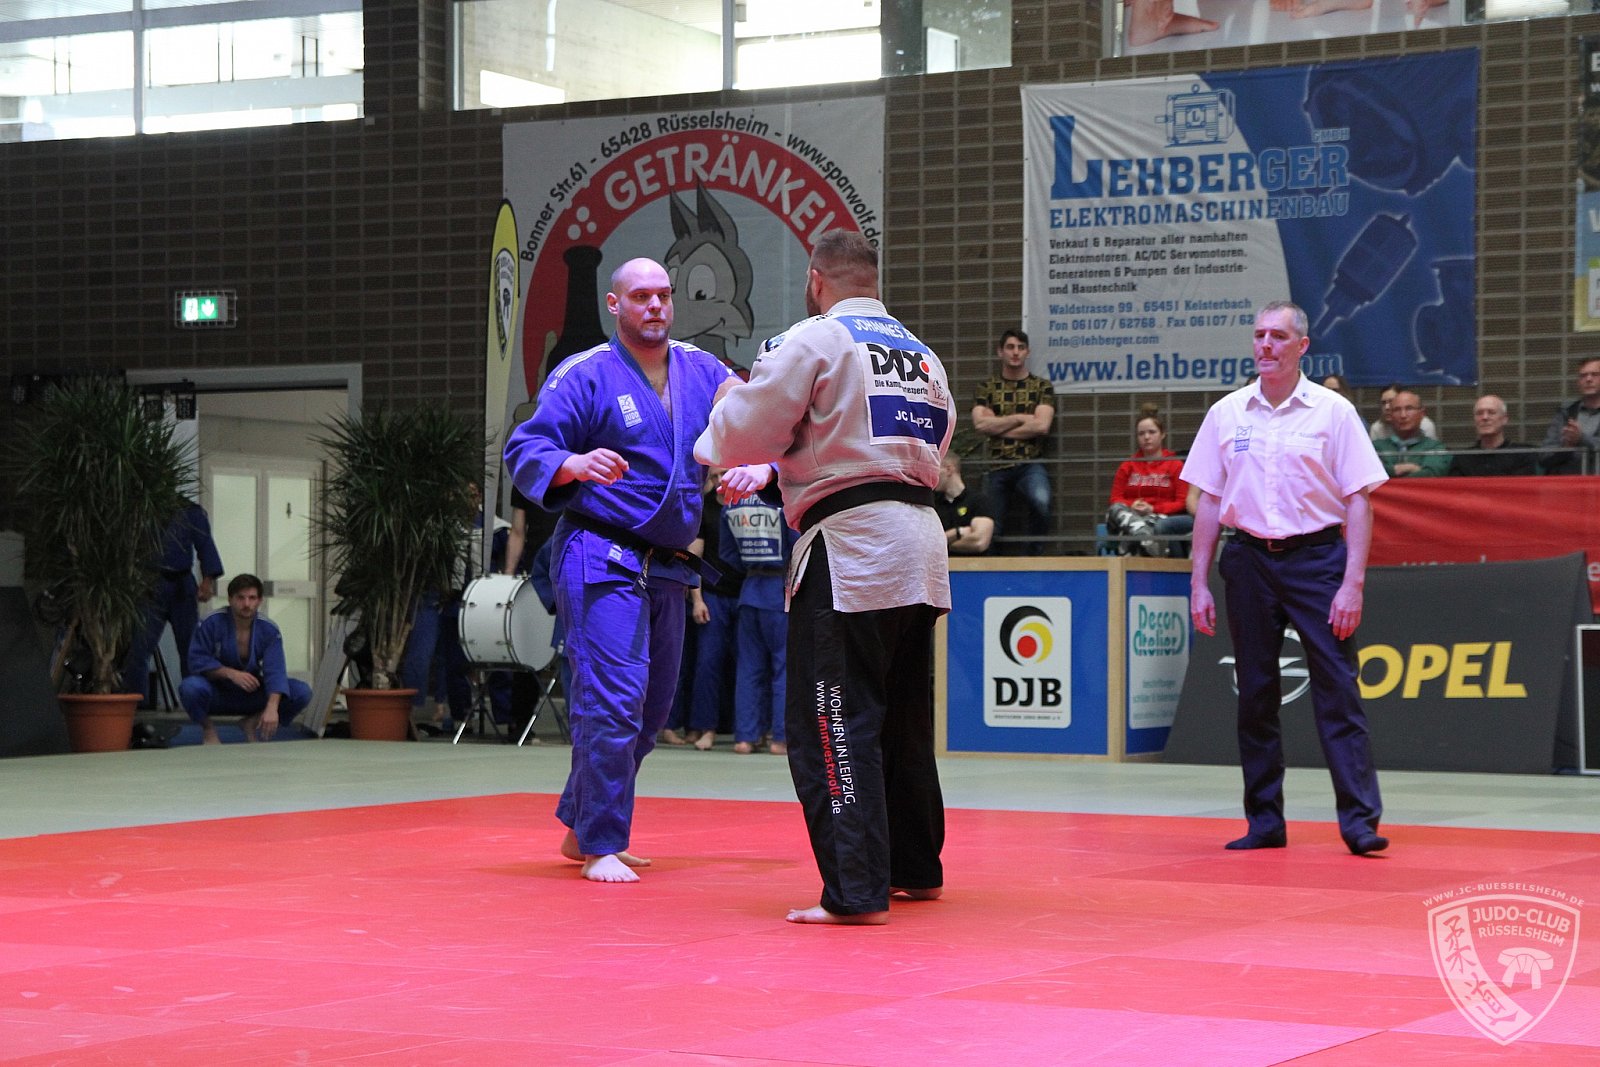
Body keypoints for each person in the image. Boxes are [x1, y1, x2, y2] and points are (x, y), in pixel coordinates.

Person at [698, 229, 954, 926]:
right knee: (901, 712)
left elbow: (740, 434)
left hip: (853, 546)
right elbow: (930, 443)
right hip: (919, 541)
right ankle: (913, 867)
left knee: (832, 717)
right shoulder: (921, 354)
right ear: (874, 278)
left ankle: (855, 887)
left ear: (816, 280)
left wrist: (728, 400)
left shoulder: (814, 340)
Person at [504, 256, 756, 885]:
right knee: (612, 701)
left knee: (651, 710)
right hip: (601, 554)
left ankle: (580, 824)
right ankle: (601, 842)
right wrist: (571, 464)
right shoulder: (585, 372)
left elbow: (748, 412)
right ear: (614, 305)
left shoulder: (703, 369)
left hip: (667, 565)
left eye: (664, 294)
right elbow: (526, 446)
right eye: (641, 296)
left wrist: (752, 459)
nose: (657, 306)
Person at [1182, 301, 1390, 857]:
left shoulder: (1333, 412)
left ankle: (1359, 822)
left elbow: (1359, 500)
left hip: (1317, 560)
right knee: (1254, 693)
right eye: (1259, 335)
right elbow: (1208, 502)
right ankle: (1265, 820)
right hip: (1248, 561)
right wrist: (1198, 581)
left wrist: (1353, 582)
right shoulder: (1227, 412)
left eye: (1278, 336)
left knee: (1337, 689)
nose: (1265, 345)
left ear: (1302, 346)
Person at [180, 573, 312, 745]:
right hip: (217, 692)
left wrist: (272, 707)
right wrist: (230, 673)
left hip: (252, 692)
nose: (246, 604)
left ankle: (252, 721)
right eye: (241, 598)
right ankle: (208, 728)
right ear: (230, 599)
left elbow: (275, 670)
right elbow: (196, 660)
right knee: (189, 687)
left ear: (260, 601)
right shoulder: (210, 622)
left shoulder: (269, 629)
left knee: (301, 691)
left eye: (252, 598)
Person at [119, 498, 225, 700]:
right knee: (138, 650)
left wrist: (207, 581)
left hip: (182, 587)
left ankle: (194, 699)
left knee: (189, 650)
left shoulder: (190, 511)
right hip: (149, 586)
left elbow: (205, 545)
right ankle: (136, 704)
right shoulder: (139, 507)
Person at [719, 477, 795, 755]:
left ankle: (745, 737)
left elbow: (727, 553)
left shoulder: (733, 503)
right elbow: (796, 544)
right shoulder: (781, 501)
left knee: (749, 669)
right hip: (780, 591)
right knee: (783, 668)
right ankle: (780, 739)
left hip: (750, 589)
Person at [972, 329, 1054, 555]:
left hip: (1030, 463)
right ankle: (991, 566)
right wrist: (1020, 418)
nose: (1015, 352)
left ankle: (1033, 558)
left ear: (1028, 352)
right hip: (997, 464)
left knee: (1041, 501)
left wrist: (998, 427)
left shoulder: (1041, 387)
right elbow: (980, 425)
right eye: (1010, 347)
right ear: (1000, 352)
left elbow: (1041, 426)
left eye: (1020, 347)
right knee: (991, 521)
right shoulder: (987, 388)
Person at [1104, 403, 1193, 557]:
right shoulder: (1127, 465)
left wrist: (1152, 509)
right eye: (1141, 433)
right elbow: (1115, 499)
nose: (1146, 437)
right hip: (1130, 515)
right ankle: (1144, 536)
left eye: (1152, 432)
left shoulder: (1175, 464)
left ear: (1162, 434)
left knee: (1134, 531)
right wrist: (1132, 505)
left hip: (1159, 517)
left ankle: (1140, 540)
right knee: (1115, 510)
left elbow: (1182, 502)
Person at [1539, 357, 1600, 475]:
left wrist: (1581, 439)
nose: (1588, 379)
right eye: (1583, 376)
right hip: (1568, 482)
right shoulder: (1565, 413)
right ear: (1578, 382)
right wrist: (1566, 447)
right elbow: (1544, 456)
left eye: (1595, 374)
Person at [1450, 395, 1537, 476]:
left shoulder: (1523, 455)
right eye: (1479, 413)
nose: (1485, 417)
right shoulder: (1462, 459)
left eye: (1491, 412)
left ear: (1504, 419)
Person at [1372, 390, 1449, 478]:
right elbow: (1369, 474)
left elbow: (1431, 474)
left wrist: (1389, 472)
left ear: (1422, 413)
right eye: (1397, 410)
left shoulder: (1435, 447)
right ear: (1391, 415)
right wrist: (1406, 469)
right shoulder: (1375, 448)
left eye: (1409, 408)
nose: (1403, 415)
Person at [934, 452, 994, 556]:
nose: (931, 475)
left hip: (971, 565)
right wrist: (957, 532)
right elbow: (925, 545)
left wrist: (945, 544)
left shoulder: (978, 500)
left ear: (949, 469)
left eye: (935, 469)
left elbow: (979, 542)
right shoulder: (932, 503)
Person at [1369, 382, 1437, 442]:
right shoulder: (1376, 428)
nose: (1387, 407)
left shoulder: (1425, 425)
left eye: (1391, 401)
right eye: (1383, 403)